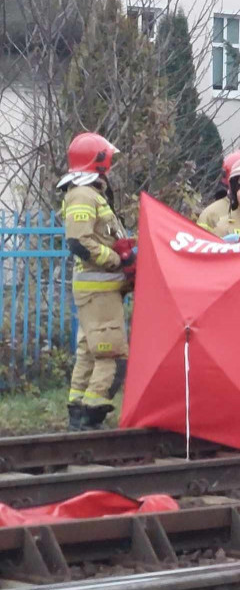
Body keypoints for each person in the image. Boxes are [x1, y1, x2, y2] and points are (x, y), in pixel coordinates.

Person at [58, 132, 133, 431]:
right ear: (98, 161)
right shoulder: (83, 194)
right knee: (112, 354)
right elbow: (78, 241)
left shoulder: (89, 193)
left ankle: (78, 411)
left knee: (90, 351)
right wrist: (116, 260)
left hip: (100, 289)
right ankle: (91, 414)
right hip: (99, 288)